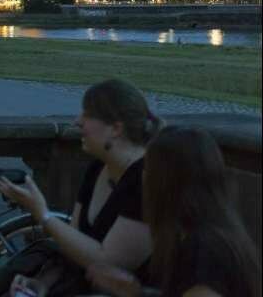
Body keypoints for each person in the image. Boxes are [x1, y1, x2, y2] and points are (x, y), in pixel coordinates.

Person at [0, 79, 161, 295]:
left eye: (87, 115)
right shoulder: (99, 167)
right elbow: (72, 250)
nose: (77, 121)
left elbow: (108, 264)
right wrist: (43, 283)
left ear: (116, 128)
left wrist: (43, 215)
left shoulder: (147, 179)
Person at [86, 127, 261, 297]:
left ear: (164, 182)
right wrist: (136, 292)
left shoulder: (202, 250)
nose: (142, 176)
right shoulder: (209, 236)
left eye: (147, 168)